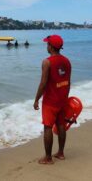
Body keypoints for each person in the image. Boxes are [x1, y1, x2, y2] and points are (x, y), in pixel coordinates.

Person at [34, 35, 71, 165]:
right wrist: (65, 97)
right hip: (62, 99)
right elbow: (68, 82)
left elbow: (43, 83)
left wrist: (36, 99)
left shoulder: (47, 62)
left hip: (50, 101)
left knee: (48, 127)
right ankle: (60, 153)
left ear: (50, 46)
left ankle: (48, 158)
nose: (46, 46)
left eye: (47, 44)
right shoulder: (67, 61)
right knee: (61, 125)